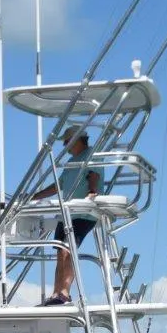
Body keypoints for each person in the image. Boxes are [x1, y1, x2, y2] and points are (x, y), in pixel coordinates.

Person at [32, 125, 103, 305]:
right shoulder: (72, 162)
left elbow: (93, 175)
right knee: (60, 252)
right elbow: (58, 186)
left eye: (66, 142)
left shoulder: (92, 155)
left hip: (83, 213)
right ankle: (57, 292)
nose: (64, 146)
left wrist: (93, 192)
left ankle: (64, 292)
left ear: (77, 140)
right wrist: (34, 197)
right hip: (67, 213)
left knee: (67, 249)